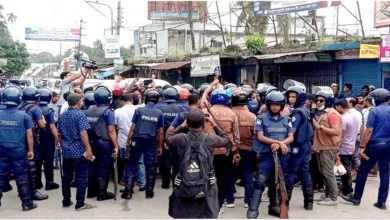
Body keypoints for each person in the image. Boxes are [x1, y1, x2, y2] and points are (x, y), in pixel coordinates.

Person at [165, 108, 231, 219]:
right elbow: (226, 139)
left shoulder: (181, 138)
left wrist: (182, 125)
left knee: (184, 212)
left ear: (187, 122)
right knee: (207, 210)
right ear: (204, 122)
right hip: (207, 182)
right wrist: (214, 124)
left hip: (184, 181)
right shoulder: (210, 139)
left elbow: (168, 138)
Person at [341, 88, 390, 210]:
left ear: (377, 98)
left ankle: (356, 198)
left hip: (375, 145)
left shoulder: (375, 111)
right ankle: (381, 202)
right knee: (384, 173)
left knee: (362, 171)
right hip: (388, 145)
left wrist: (362, 147)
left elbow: (369, 130)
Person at [247, 91, 293, 219]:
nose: (275, 107)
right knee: (260, 181)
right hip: (267, 155)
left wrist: (281, 144)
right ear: (268, 105)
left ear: (282, 106)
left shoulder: (287, 119)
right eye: (272, 105)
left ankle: (274, 207)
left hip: (282, 155)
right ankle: (253, 209)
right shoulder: (261, 118)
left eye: (278, 105)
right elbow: (261, 137)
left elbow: (291, 137)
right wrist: (279, 143)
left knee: (278, 182)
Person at [202, 89, 240, 213]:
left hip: (206, 151)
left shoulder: (204, 113)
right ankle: (220, 204)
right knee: (223, 178)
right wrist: (236, 151)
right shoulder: (232, 114)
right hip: (225, 151)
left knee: (206, 177)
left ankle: (207, 202)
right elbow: (236, 136)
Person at [121, 89, 164, 200]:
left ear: (146, 99)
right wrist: (160, 146)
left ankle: (128, 192)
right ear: (157, 100)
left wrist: (128, 142)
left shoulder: (139, 110)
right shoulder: (159, 113)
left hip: (137, 140)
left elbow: (132, 128)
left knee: (131, 165)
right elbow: (161, 132)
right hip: (151, 142)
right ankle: (149, 193)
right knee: (151, 167)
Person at [0, 86, 37, 211]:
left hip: (2, 149)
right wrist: (31, 150)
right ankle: (27, 203)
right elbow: (29, 134)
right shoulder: (24, 116)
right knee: (21, 176)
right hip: (19, 150)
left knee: (0, 175)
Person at [58, 93, 96, 211]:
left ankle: (66, 200)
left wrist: (61, 144)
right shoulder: (80, 115)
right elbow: (83, 133)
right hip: (79, 151)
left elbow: (59, 134)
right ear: (79, 102)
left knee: (66, 177)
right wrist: (88, 149)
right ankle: (80, 203)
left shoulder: (62, 116)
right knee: (81, 177)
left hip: (67, 151)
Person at [86, 86, 119, 201]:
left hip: (91, 143)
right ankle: (102, 193)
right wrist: (116, 146)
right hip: (104, 143)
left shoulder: (89, 109)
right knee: (104, 167)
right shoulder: (108, 112)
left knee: (92, 167)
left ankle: (91, 192)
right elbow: (111, 130)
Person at [284, 86, 314, 211]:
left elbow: (292, 130)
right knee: (305, 171)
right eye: (289, 96)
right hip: (306, 145)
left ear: (299, 97)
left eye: (293, 97)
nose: (291, 99)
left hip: (297, 145)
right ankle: (309, 202)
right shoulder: (305, 109)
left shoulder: (297, 112)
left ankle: (285, 203)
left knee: (290, 172)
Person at [312, 89, 342, 206]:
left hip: (328, 147)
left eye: (321, 100)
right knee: (323, 172)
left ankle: (333, 198)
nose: (318, 102)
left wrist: (320, 127)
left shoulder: (332, 114)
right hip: (323, 146)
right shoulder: (325, 113)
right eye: (317, 100)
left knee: (328, 172)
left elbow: (336, 131)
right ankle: (327, 195)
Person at [18, 87, 48, 201]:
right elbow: (42, 124)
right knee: (31, 166)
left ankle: (23, 189)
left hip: (18, 139)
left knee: (20, 166)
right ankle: (32, 191)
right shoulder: (36, 109)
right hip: (30, 139)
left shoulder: (19, 106)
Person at [231, 89, 256, 208]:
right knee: (248, 174)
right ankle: (248, 200)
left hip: (232, 149)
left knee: (231, 174)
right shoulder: (252, 116)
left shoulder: (229, 114)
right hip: (248, 148)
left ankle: (229, 200)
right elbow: (256, 135)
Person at [114, 93, 145, 190]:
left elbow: (114, 127)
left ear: (122, 102)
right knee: (140, 162)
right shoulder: (139, 110)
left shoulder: (117, 111)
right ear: (131, 100)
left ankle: (126, 181)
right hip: (138, 140)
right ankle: (141, 183)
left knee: (127, 162)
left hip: (123, 141)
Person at [159, 87, 186, 189]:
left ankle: (165, 183)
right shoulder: (183, 109)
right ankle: (176, 183)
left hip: (164, 139)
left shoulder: (160, 109)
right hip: (179, 139)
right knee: (177, 162)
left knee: (165, 161)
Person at [37, 88, 60, 190]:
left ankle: (37, 182)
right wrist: (58, 139)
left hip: (36, 139)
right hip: (47, 139)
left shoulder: (34, 109)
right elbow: (52, 127)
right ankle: (49, 182)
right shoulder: (49, 111)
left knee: (37, 161)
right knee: (48, 161)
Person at [334, 99, 357, 196]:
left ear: (339, 106)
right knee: (347, 168)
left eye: (336, 107)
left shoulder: (343, 118)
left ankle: (347, 190)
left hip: (344, 147)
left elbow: (341, 135)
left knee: (345, 170)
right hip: (351, 145)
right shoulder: (353, 116)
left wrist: (338, 148)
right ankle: (347, 188)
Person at [346, 98, 363, 172]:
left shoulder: (349, 114)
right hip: (357, 136)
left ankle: (360, 172)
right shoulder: (358, 113)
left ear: (350, 103)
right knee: (353, 156)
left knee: (350, 156)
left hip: (351, 136)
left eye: (346, 101)